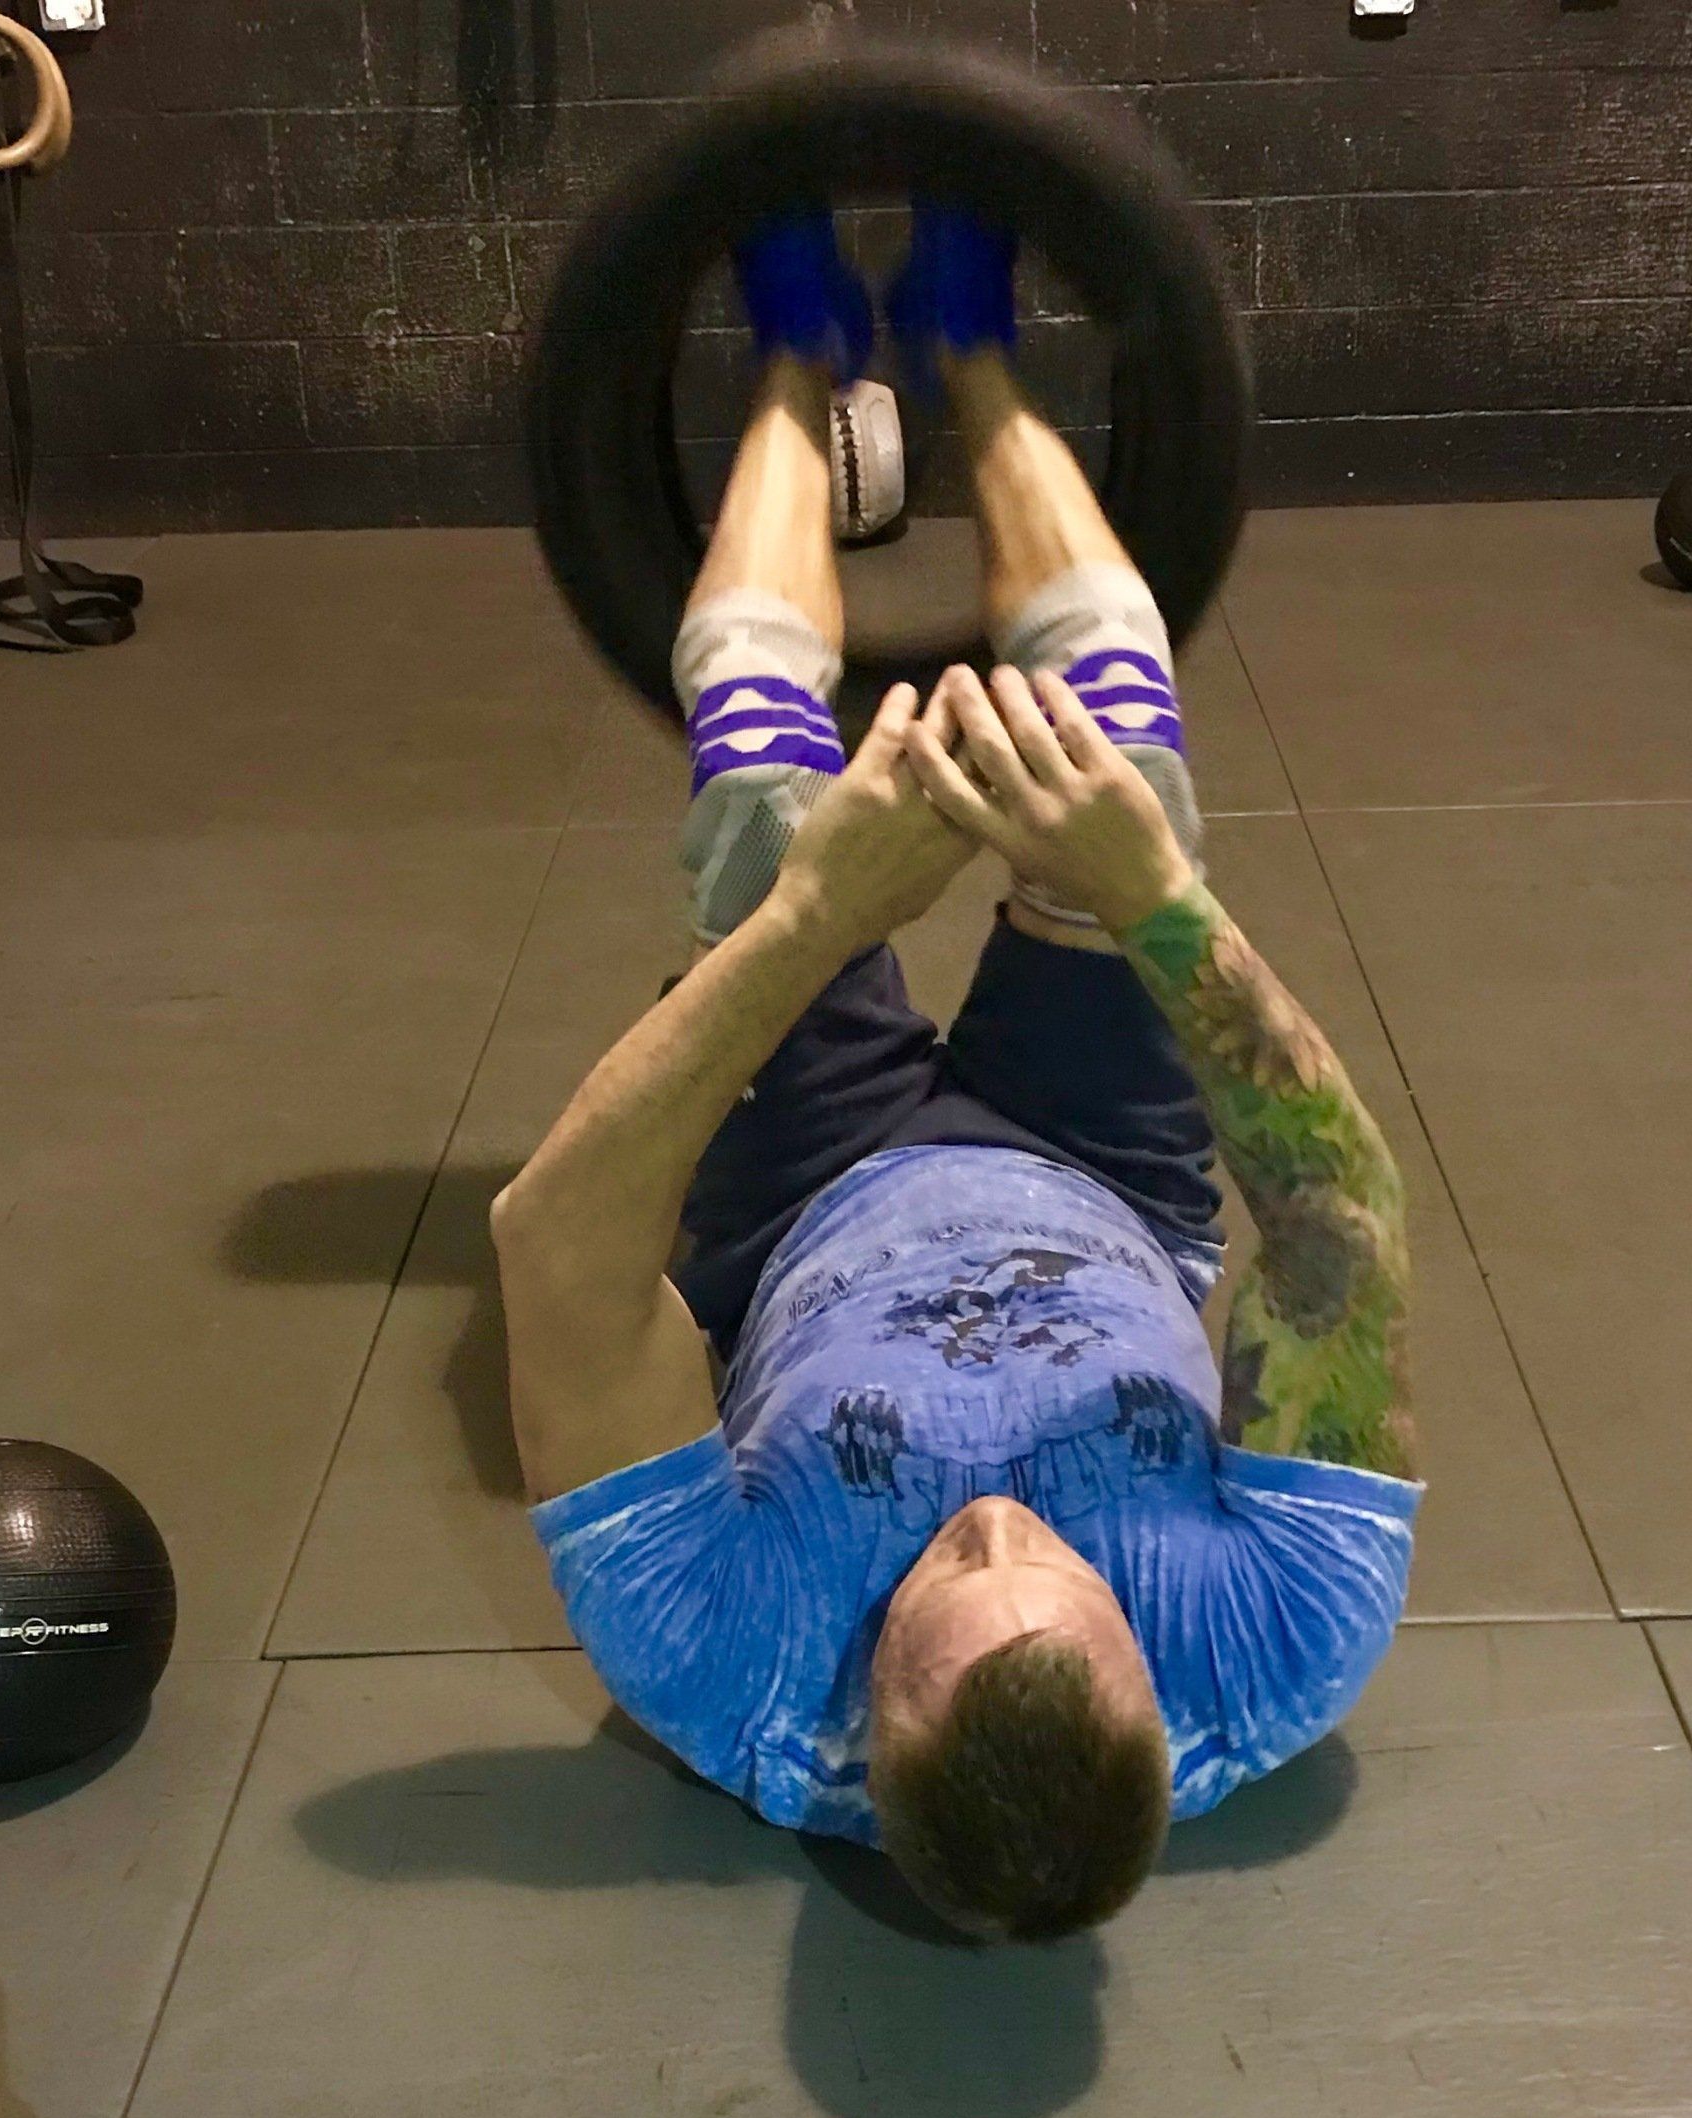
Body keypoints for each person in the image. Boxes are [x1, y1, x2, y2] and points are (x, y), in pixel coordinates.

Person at [492, 206, 1421, 1942]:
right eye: (1048, 1567)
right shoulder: (1278, 1641)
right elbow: (1338, 1222)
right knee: (1124, 749)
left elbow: (552, 1245)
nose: (991, 1514)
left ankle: (794, 361)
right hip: (1104, 1180)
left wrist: (806, 919)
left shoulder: (732, 1665)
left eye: (943, 1577)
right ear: (1150, 1692)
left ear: (873, 1720)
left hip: (802, 1210)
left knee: (758, 791)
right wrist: (1152, 890)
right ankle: (975, 355)